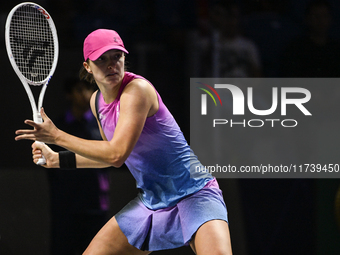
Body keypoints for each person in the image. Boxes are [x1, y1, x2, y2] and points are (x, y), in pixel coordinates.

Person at [15, 29, 232, 255]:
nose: (111, 64)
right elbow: (106, 158)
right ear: (87, 66)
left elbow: (115, 154)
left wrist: (57, 136)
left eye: (117, 56)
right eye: (102, 59)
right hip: (152, 202)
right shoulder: (96, 102)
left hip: (194, 193)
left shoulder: (137, 90)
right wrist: (57, 159)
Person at [48, 78, 110, 255]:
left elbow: (113, 158)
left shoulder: (102, 125)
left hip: (96, 207)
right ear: (69, 94)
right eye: (79, 89)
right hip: (64, 209)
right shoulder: (57, 129)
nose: (85, 94)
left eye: (88, 89)